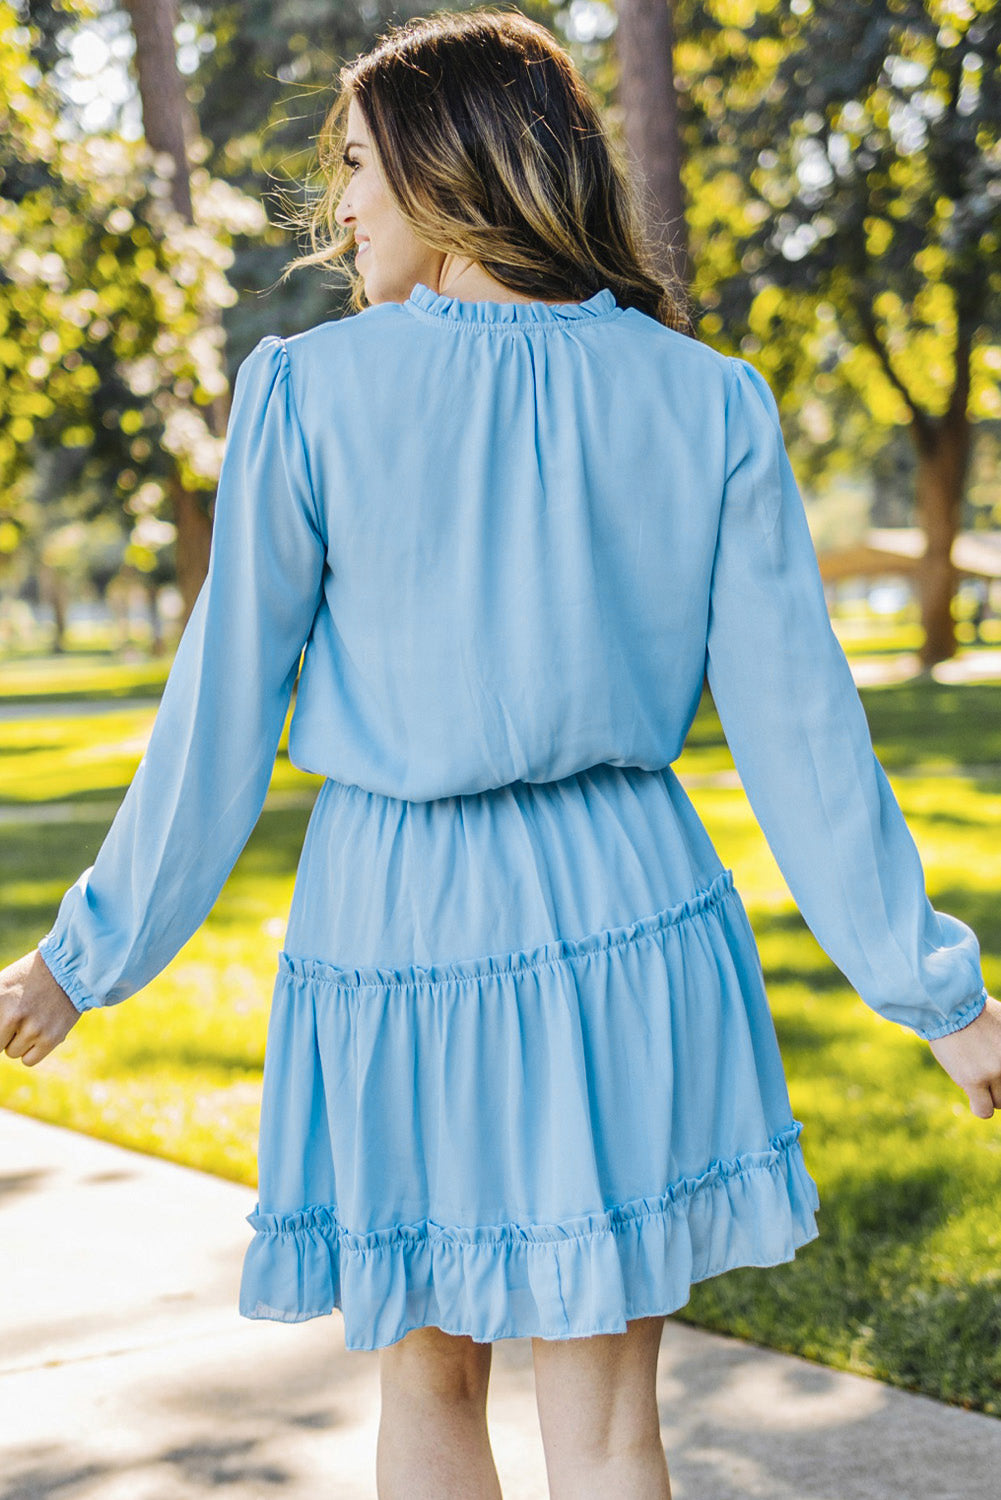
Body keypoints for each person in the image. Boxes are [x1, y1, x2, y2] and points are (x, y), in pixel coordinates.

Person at [2, 9, 1000, 1499]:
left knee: (430, 1388)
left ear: (446, 165)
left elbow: (216, 722)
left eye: (352, 162)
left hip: (397, 926)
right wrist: (938, 995)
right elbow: (805, 736)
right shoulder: (704, 397)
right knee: (607, 1425)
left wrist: (81, 958)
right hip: (630, 916)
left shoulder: (305, 392)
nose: (334, 205)